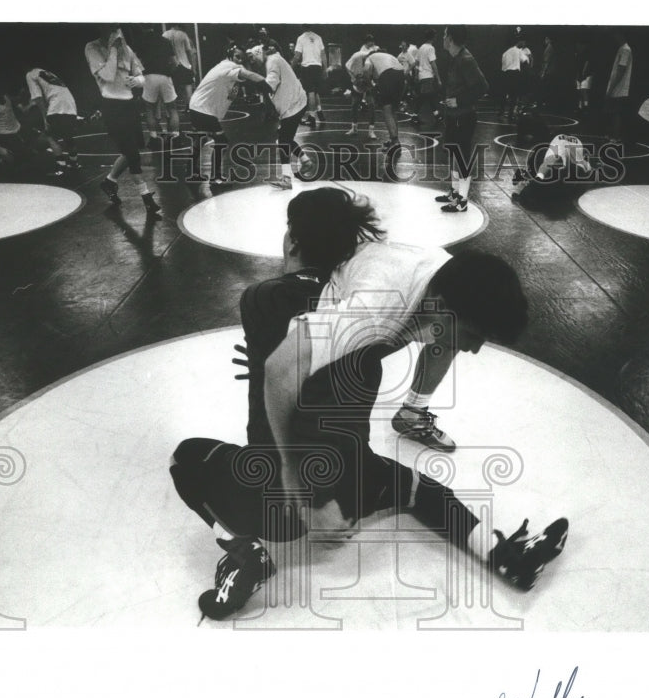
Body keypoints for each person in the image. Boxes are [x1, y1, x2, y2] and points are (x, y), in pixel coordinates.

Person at [171, 188, 569, 620]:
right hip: (307, 496)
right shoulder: (372, 312)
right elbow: (286, 374)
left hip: (312, 478)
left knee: (191, 456)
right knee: (411, 482)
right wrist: (308, 498)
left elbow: (293, 371)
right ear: (437, 309)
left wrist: (272, 354)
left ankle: (505, 556)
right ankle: (249, 545)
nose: (472, 350)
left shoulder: (444, 278)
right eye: (473, 337)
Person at [84, 24, 160, 214]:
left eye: (115, 28)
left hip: (129, 105)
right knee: (132, 154)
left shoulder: (127, 49)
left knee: (131, 150)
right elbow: (108, 75)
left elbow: (141, 75)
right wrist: (113, 49)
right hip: (112, 106)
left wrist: (137, 81)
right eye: (110, 29)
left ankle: (109, 181)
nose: (114, 33)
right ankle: (146, 197)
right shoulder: (92, 48)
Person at [188, 45, 273, 184]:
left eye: (242, 58)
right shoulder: (229, 67)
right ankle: (215, 177)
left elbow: (231, 94)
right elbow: (249, 75)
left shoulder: (228, 71)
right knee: (221, 141)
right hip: (203, 109)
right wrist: (267, 85)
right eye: (237, 57)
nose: (239, 60)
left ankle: (191, 172)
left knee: (200, 140)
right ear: (229, 56)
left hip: (198, 107)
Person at [437, 25, 489, 213]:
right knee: (453, 153)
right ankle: (454, 192)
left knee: (461, 157)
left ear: (450, 38)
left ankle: (462, 201)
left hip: (463, 117)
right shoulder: (456, 58)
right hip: (454, 116)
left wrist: (458, 101)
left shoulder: (466, 59)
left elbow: (483, 87)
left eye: (444, 35)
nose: (442, 39)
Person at [255, 41, 312, 190]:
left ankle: (287, 178)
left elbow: (270, 84)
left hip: (294, 105)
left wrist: (252, 80)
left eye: (253, 59)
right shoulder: (275, 59)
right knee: (284, 136)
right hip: (294, 103)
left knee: (283, 140)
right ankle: (306, 161)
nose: (254, 63)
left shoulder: (272, 61)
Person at [24, 66, 79, 169]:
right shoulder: (46, 73)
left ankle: (61, 168)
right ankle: (74, 163)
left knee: (50, 137)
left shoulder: (30, 74)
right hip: (71, 105)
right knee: (68, 137)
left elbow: (38, 98)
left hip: (57, 106)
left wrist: (45, 119)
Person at [136, 28, 181, 146]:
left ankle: (153, 138)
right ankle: (175, 138)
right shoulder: (165, 41)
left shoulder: (142, 41)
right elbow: (175, 62)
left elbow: (138, 63)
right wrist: (170, 73)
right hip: (165, 76)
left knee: (149, 109)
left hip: (149, 76)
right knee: (172, 108)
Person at [362, 49, 406, 150]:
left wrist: (370, 86)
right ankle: (394, 139)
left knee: (386, 110)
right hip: (401, 75)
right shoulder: (386, 56)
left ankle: (394, 141)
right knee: (393, 110)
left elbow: (365, 72)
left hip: (388, 75)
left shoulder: (370, 58)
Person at [293, 26, 327, 127]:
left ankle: (312, 118)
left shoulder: (301, 38)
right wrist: (325, 69)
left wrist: (290, 67)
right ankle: (320, 113)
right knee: (315, 91)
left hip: (307, 67)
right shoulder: (318, 37)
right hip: (317, 66)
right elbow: (323, 54)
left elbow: (297, 56)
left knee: (310, 92)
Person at [344, 40, 378, 139]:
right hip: (358, 82)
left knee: (371, 105)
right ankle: (354, 128)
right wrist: (353, 78)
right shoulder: (357, 56)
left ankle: (371, 131)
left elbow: (375, 77)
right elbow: (347, 66)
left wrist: (371, 84)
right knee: (354, 104)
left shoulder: (373, 62)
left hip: (368, 83)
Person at [604, 30, 633, 142]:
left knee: (616, 112)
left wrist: (611, 88)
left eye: (615, 34)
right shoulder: (622, 48)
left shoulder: (625, 49)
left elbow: (621, 69)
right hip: (617, 87)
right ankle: (612, 135)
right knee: (612, 111)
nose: (614, 37)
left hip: (619, 88)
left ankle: (615, 137)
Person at [162, 24, 198, 107]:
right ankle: (189, 106)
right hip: (184, 63)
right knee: (187, 85)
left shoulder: (164, 35)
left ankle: (172, 109)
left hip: (170, 64)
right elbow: (189, 52)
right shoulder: (183, 34)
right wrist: (192, 67)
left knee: (172, 87)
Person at [414, 29, 442, 127]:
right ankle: (415, 115)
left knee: (427, 96)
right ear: (433, 37)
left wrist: (417, 75)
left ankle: (436, 114)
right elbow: (433, 64)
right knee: (426, 96)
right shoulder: (430, 48)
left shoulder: (421, 48)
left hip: (422, 76)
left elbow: (416, 63)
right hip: (428, 76)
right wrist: (438, 78)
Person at [499, 35, 527, 120]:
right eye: (523, 42)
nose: (524, 43)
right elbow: (525, 61)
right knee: (514, 95)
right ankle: (511, 115)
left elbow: (503, 65)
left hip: (506, 74)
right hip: (515, 74)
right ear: (519, 42)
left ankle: (501, 113)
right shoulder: (518, 51)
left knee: (504, 95)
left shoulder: (506, 52)